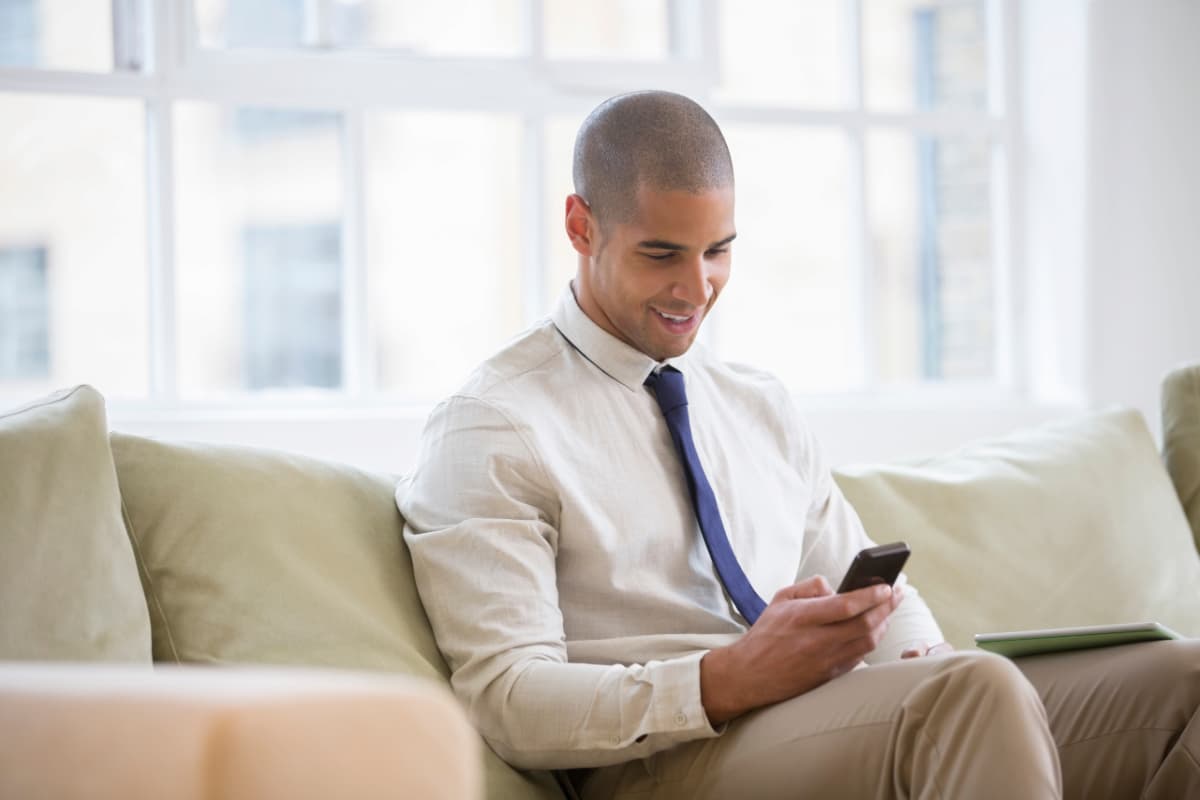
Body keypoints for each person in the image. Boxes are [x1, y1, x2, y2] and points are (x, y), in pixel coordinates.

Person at [397, 90, 1200, 799]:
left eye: (718, 250)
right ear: (581, 225)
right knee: (972, 697)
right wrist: (724, 680)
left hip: (820, 721)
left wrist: (922, 654)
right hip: (666, 761)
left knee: (1180, 681)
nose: (696, 288)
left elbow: (877, 601)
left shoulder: (758, 405)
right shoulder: (494, 424)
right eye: (661, 254)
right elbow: (508, 700)